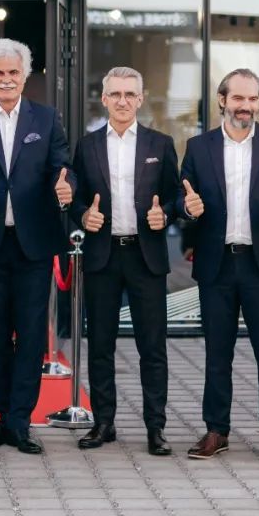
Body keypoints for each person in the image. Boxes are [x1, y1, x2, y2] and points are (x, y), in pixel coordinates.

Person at [179, 68, 259, 465]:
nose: (246, 106)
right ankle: (216, 431)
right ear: (222, 100)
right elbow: (181, 197)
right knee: (217, 354)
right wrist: (188, 208)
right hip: (217, 264)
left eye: (253, 99)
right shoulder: (198, 147)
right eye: (238, 98)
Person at [0, 38, 75, 455]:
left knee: (31, 334)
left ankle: (21, 421)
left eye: (13, 72)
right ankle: (3, 415)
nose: (6, 79)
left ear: (25, 76)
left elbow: (62, 165)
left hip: (33, 243)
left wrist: (65, 185)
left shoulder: (47, 117)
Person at [70, 66, 179, 456]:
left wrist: (165, 214)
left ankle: (156, 428)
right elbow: (75, 199)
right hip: (103, 255)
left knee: (153, 347)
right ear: (104, 99)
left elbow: (174, 197)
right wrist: (83, 215)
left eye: (130, 94)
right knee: (101, 345)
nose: (122, 101)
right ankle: (103, 423)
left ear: (140, 98)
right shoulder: (87, 146)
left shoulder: (160, 144)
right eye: (115, 94)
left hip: (145, 256)